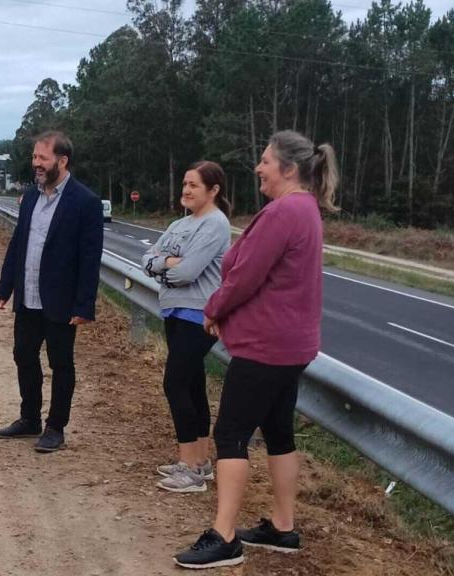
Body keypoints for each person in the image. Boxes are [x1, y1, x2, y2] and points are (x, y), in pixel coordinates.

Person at [174, 131, 338, 569]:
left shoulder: (283, 212)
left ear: (289, 168)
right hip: (293, 344)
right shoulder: (307, 209)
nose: (258, 168)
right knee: (279, 432)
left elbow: (246, 274)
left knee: (230, 434)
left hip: (266, 345)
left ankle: (224, 537)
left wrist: (214, 308)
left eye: (265, 161)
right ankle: (283, 528)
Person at [0, 131, 104, 453]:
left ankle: (56, 427)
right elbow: (18, 244)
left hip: (61, 301)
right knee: (23, 355)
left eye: (43, 158)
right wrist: (5, 286)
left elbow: (90, 258)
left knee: (61, 364)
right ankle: (30, 419)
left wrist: (84, 305)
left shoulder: (85, 202)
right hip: (28, 297)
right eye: (34, 157)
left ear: (62, 160)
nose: (36, 163)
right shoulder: (30, 197)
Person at [142, 161, 230, 493]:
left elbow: (188, 272)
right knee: (192, 385)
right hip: (174, 310)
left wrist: (162, 268)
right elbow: (146, 260)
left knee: (175, 383)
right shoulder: (179, 224)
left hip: (199, 313)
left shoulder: (215, 224)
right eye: (184, 184)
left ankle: (189, 468)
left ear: (213, 190)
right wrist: (166, 263)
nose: (186, 190)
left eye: (194, 185)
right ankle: (201, 462)